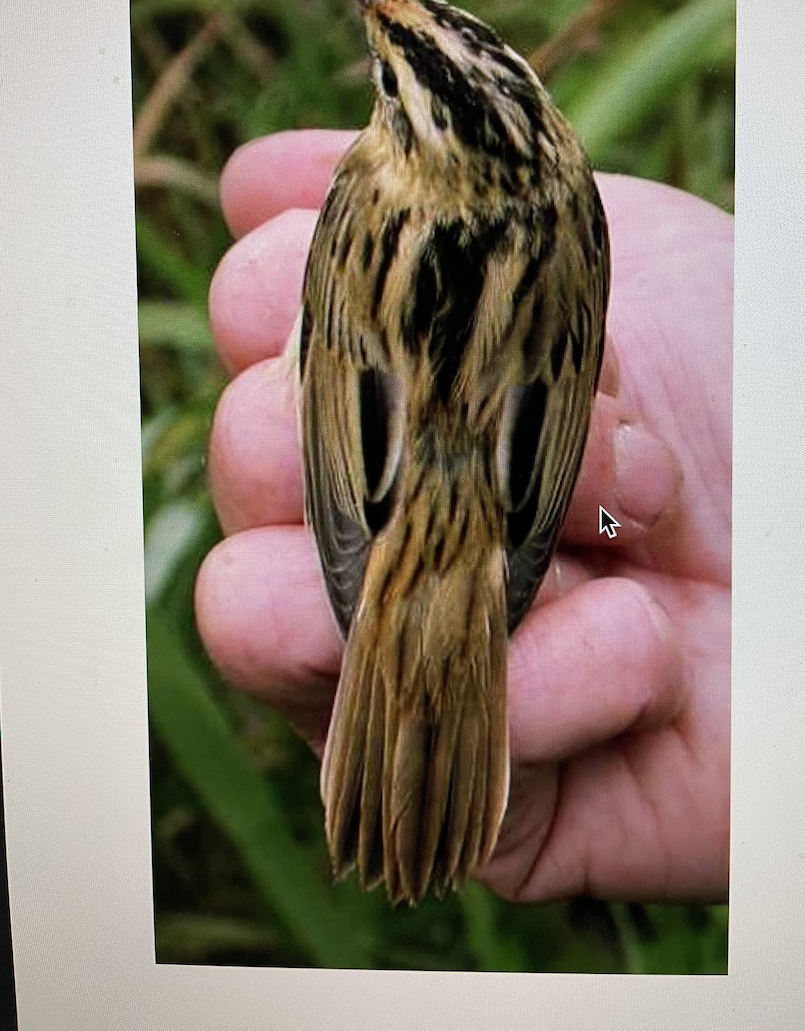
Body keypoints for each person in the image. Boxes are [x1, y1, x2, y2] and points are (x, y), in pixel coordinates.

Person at [195, 128, 732, 904]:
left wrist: (611, 525)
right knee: (615, 508)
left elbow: (337, 398)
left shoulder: (357, 206)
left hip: (432, 510)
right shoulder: (573, 217)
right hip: (520, 512)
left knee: (619, 506)